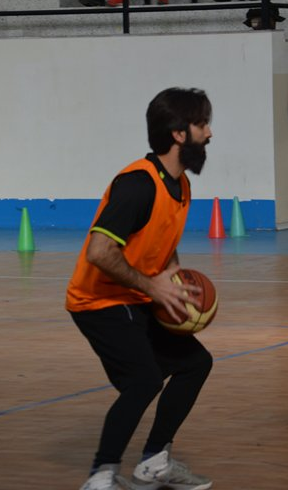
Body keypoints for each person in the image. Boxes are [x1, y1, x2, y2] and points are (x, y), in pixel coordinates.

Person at [67, 87, 215, 490]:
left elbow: (161, 241)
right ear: (179, 134)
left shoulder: (180, 185)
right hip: (97, 301)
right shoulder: (137, 183)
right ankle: (101, 476)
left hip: (135, 297)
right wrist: (153, 287)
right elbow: (99, 251)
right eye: (202, 124)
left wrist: (176, 281)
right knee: (144, 381)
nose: (209, 133)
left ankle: (154, 462)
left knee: (195, 363)